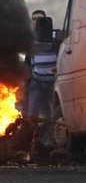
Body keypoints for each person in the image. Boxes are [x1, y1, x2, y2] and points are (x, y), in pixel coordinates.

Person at [28, 16, 57, 147]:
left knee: (50, 114)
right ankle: (29, 143)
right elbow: (29, 64)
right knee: (32, 115)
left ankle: (50, 142)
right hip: (37, 83)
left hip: (54, 84)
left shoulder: (57, 42)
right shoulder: (32, 45)